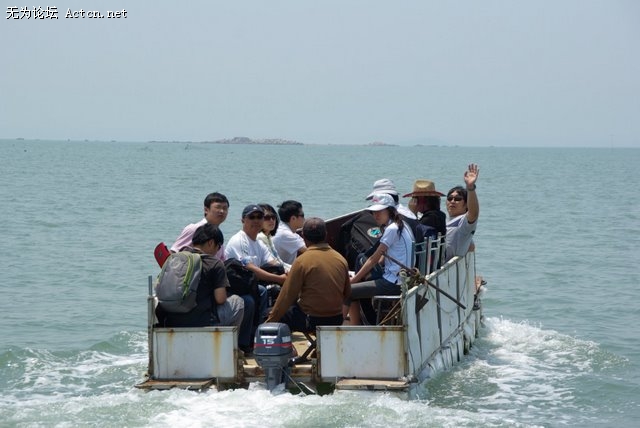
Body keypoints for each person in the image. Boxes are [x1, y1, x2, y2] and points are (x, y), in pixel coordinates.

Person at [266, 217, 350, 331]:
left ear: (303, 236)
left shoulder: (301, 261)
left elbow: (286, 296)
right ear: (325, 235)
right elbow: (347, 293)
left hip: (311, 320)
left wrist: (270, 320)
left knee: (269, 314)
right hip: (336, 319)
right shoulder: (341, 259)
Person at [344, 193, 415, 325]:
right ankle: (365, 322)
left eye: (379, 211)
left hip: (393, 284)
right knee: (361, 261)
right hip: (402, 280)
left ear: (390, 210)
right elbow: (381, 259)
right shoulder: (402, 225)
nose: (375, 215)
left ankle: (343, 326)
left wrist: (354, 280)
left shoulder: (392, 229)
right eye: (373, 212)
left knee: (347, 291)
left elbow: (373, 259)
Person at [224, 204, 287, 351]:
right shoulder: (240, 240)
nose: (256, 220)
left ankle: (261, 334)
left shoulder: (258, 242)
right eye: (252, 217)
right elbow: (250, 268)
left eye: (260, 217)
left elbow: (273, 262)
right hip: (235, 287)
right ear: (243, 220)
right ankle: (244, 342)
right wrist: (279, 279)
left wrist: (290, 273)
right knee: (252, 298)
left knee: (271, 290)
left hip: (250, 284)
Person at [157, 223, 244, 328]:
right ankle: (228, 338)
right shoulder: (214, 263)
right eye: (219, 247)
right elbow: (220, 299)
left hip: (170, 320)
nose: (218, 251)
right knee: (238, 302)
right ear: (211, 243)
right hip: (201, 321)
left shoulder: (175, 258)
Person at [170, 192, 230, 260]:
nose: (222, 211)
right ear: (206, 210)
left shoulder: (218, 234)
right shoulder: (194, 229)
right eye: (218, 207)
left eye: (225, 208)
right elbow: (173, 252)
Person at [445, 163, 480, 261]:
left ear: (466, 204)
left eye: (457, 199)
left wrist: (470, 187)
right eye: (450, 198)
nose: (452, 201)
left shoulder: (463, 223)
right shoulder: (443, 220)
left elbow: (474, 213)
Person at [256, 203, 291, 272]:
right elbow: (273, 263)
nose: (271, 220)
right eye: (267, 218)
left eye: (273, 217)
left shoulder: (268, 237)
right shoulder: (259, 238)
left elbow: (279, 261)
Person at [273, 200, 307, 265]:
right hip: (281, 270)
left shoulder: (284, 230)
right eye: (302, 215)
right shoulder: (285, 234)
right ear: (293, 218)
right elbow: (309, 250)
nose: (304, 218)